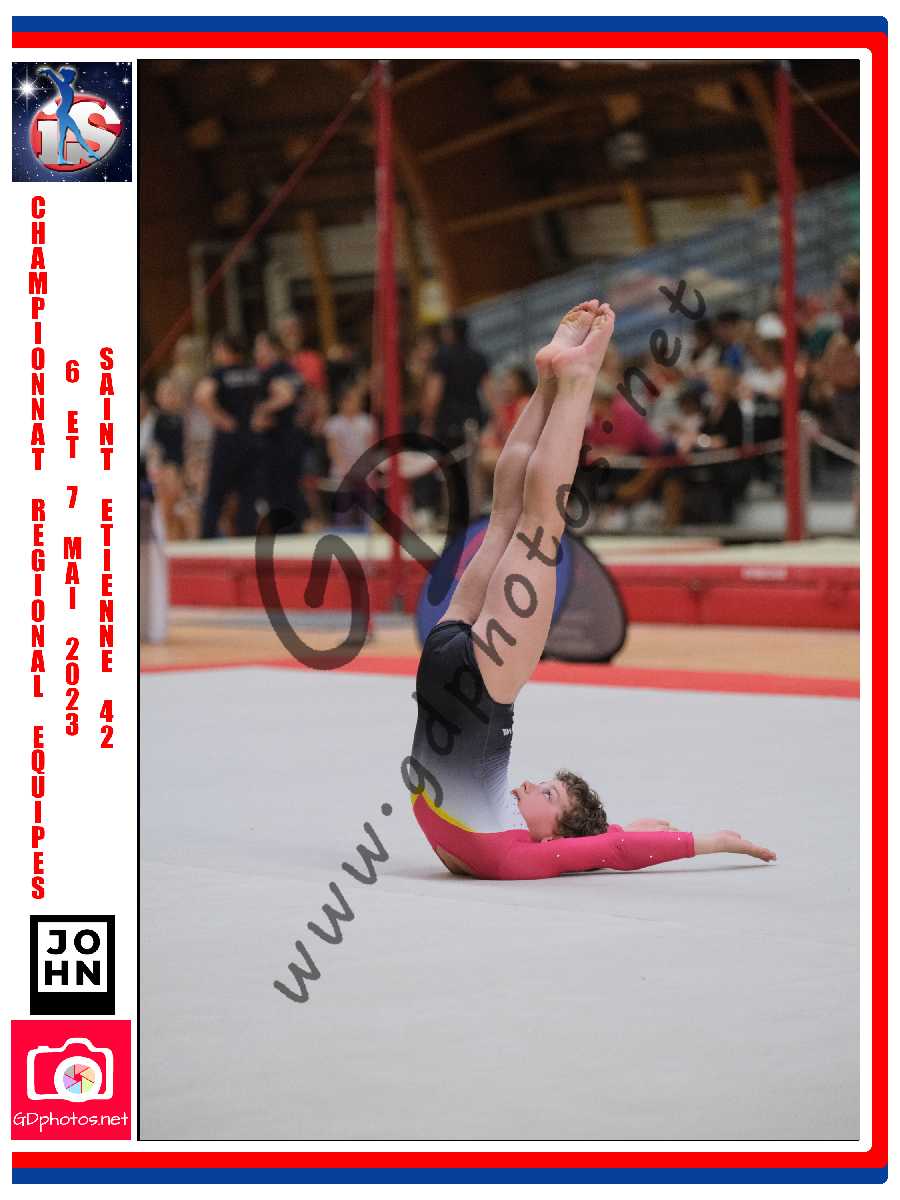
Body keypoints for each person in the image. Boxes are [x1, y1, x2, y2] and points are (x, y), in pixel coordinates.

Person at [406, 301, 775, 881]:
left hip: (477, 680)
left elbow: (611, 850)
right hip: (446, 669)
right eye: (547, 787)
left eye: (546, 795)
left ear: (552, 836)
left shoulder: (515, 855)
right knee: (512, 520)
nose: (531, 785)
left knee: (530, 522)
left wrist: (710, 842)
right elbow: (612, 842)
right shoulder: (505, 842)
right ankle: (551, 378)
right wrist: (656, 831)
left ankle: (569, 380)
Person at [196, 333, 261, 538]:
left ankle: (207, 534)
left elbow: (202, 395)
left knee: (216, 490)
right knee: (248, 491)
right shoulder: (253, 372)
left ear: (225, 350)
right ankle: (247, 534)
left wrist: (219, 418)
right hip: (250, 437)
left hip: (228, 438)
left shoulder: (221, 373)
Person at [250, 331, 305, 526]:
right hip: (292, 436)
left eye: (259, 347)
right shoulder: (291, 370)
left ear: (271, 348)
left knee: (278, 488)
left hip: (278, 440)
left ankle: (284, 528)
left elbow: (286, 396)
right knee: (291, 488)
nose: (256, 352)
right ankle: (293, 527)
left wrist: (262, 409)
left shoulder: (275, 371)